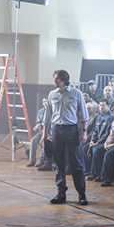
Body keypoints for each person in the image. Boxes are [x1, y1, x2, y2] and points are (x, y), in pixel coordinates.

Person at [43, 70, 90, 206]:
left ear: (64, 80)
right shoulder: (52, 94)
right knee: (59, 163)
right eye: (55, 79)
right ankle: (61, 192)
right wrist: (45, 134)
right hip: (56, 129)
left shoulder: (76, 93)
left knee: (77, 163)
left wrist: (84, 131)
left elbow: (84, 114)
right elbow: (48, 116)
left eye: (57, 79)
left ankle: (81, 194)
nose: (55, 81)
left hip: (71, 130)